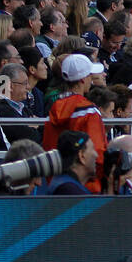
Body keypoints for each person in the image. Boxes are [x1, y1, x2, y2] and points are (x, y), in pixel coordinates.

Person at [42, 53, 108, 191]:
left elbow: (48, 147)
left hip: (58, 184)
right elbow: (98, 152)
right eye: (90, 75)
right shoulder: (89, 111)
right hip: (88, 189)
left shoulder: (53, 108)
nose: (91, 79)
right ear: (83, 79)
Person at [46, 130, 97, 195]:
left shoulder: (62, 182)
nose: (96, 155)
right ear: (81, 156)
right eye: (93, 148)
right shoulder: (70, 191)